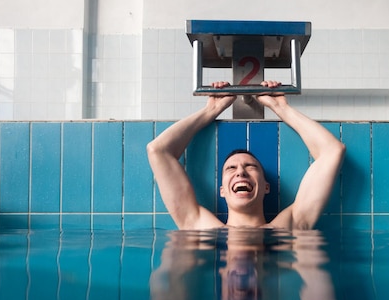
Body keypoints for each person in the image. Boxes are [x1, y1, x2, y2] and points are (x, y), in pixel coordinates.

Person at [146, 80, 345, 230]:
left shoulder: (291, 226)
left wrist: (280, 108)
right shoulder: (199, 226)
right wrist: (211, 110)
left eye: (251, 167)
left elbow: (332, 151)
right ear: (222, 190)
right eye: (231, 168)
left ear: (266, 187)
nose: (241, 172)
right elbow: (158, 151)